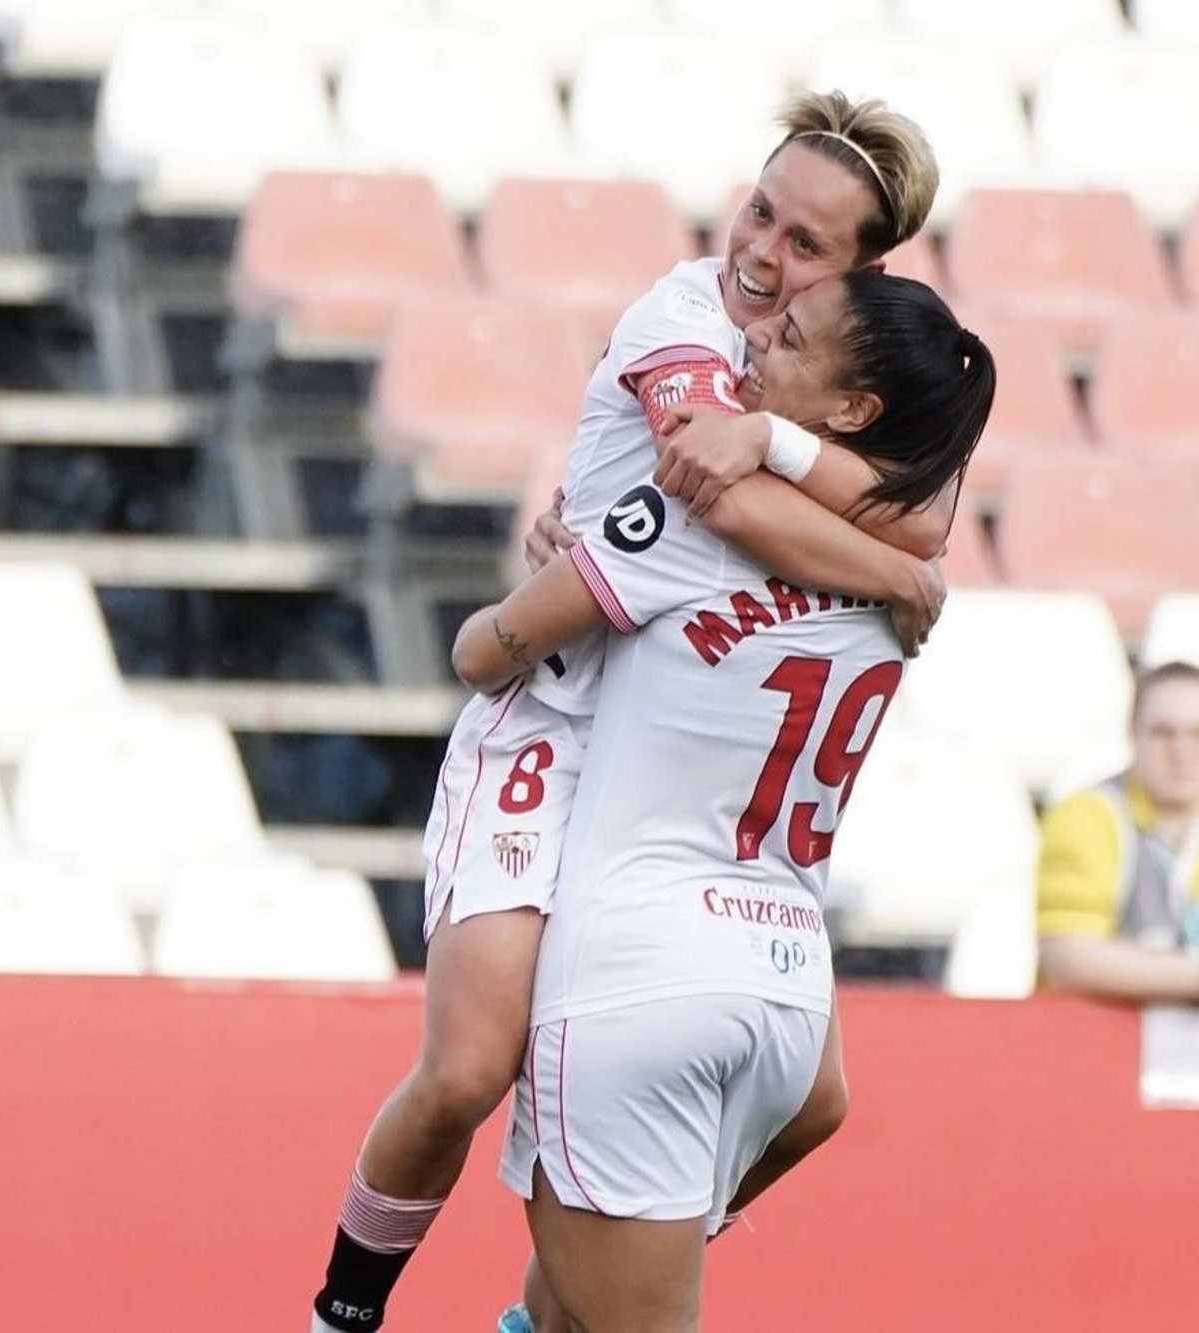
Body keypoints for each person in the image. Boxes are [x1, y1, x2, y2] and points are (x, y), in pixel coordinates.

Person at [309, 90, 945, 1333]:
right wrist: (896, 573)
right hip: (551, 716)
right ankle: (343, 1314)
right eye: (759, 212)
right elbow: (719, 490)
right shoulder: (681, 312)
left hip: (674, 766)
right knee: (466, 1068)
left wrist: (882, 521)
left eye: (805, 245)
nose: (760, 254)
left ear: (860, 278)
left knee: (811, 1101)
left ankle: (573, 1287)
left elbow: (929, 502)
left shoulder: (864, 365)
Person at [454, 269, 996, 1333]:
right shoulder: (904, 566)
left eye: (787, 339)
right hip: (787, 994)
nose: (750, 343)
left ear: (851, 410)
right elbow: (908, 514)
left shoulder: (687, 522)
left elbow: (482, 654)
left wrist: (553, 588)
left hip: (635, 979)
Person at [1036, 661, 1199, 1002]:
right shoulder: (1085, 815)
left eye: (1196, 733)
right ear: (1132, 734)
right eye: (1162, 732)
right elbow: (1068, 959)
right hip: (1086, 1042)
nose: (1181, 751)